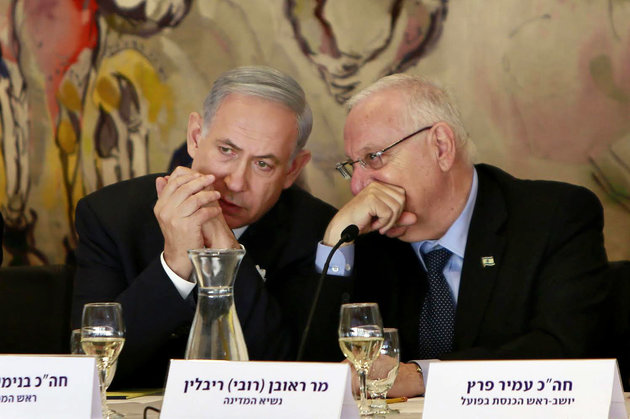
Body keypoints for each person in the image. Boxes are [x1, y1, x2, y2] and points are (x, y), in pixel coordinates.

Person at [320, 74, 609, 397]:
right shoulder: (369, 240)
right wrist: (335, 243)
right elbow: (316, 367)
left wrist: (421, 376)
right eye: (352, 166)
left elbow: (566, 348)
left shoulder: (553, 217)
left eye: (374, 158)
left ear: (441, 147)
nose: (358, 186)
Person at [72, 66, 349, 388]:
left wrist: (226, 250)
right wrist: (176, 264)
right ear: (195, 138)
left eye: (263, 164)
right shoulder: (111, 215)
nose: (235, 181)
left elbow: (296, 376)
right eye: (226, 150)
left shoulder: (318, 231)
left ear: (292, 170)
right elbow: (92, 369)